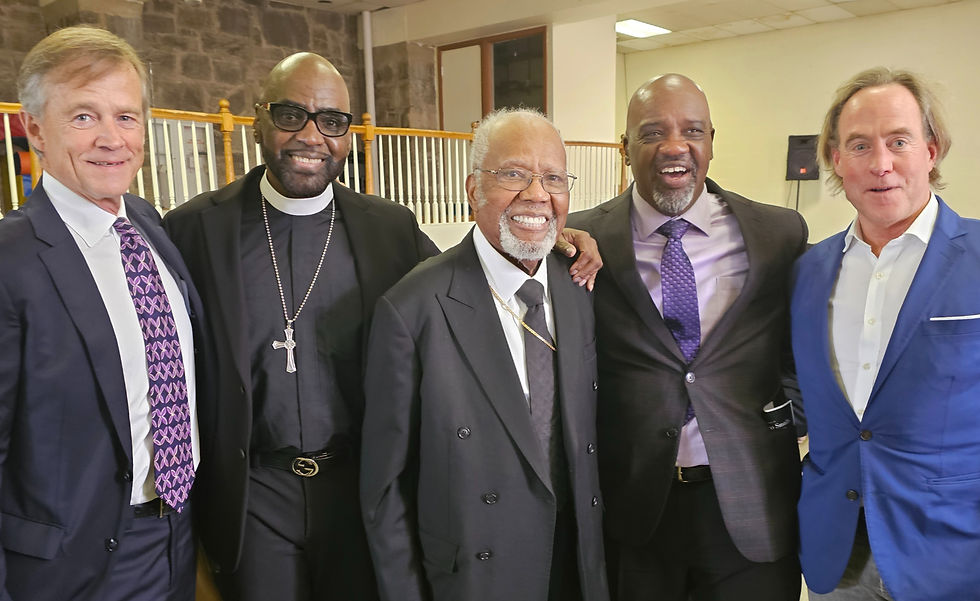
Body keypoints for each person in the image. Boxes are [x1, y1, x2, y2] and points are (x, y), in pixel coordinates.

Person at [163, 53, 600, 601]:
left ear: (349, 134)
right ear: (258, 118)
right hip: (254, 495)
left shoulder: (388, 228)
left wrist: (566, 238)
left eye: (332, 121)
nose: (311, 136)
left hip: (356, 487)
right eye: (290, 114)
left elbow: (466, 282)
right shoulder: (192, 229)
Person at [567, 74, 808, 601]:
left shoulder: (778, 232)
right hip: (634, 508)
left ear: (712, 141)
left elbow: (797, 341)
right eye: (653, 132)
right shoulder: (581, 240)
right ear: (625, 147)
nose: (675, 146)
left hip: (751, 501)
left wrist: (784, 416)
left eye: (692, 130)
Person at [359, 108, 609, 601]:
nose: (537, 194)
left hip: (575, 563)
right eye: (513, 174)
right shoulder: (413, 308)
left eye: (553, 178)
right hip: (477, 575)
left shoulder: (581, 282)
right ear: (473, 189)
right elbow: (384, 490)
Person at [0, 27, 203, 601]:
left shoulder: (150, 225)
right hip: (71, 566)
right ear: (34, 128)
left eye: (127, 116)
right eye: (84, 117)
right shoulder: (10, 262)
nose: (111, 139)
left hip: (176, 535)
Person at [792, 67, 979, 601]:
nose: (881, 164)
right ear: (834, 159)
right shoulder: (807, 271)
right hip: (837, 551)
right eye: (859, 145)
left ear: (931, 149)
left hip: (955, 553)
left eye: (899, 141)